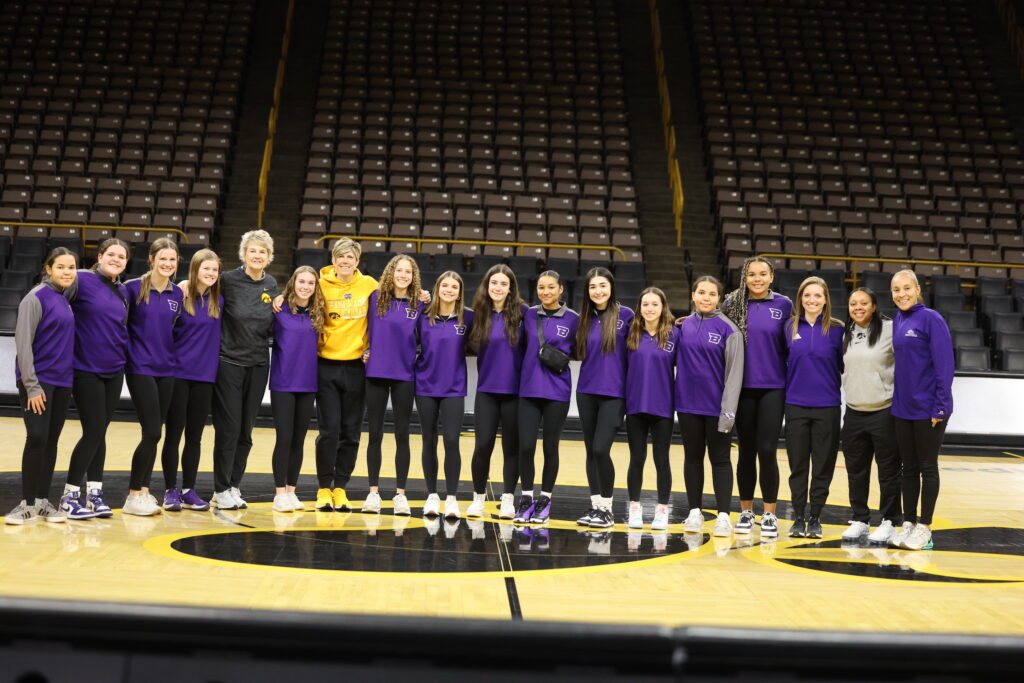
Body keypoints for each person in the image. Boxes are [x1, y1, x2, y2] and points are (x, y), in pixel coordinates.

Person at [61, 237, 131, 520]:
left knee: (100, 431)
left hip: (114, 370)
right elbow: (52, 301)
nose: (116, 260)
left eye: (122, 257)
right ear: (100, 256)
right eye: (111, 254)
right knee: (92, 431)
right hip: (85, 368)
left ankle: (95, 493)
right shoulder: (80, 279)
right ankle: (69, 495)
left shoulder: (123, 291)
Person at [5, 248, 78, 525]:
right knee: (36, 437)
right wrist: (32, 386)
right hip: (39, 381)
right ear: (48, 269)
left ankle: (44, 502)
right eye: (61, 267)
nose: (67, 272)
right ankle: (26, 504)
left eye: (71, 267)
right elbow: (23, 345)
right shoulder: (35, 298)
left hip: (62, 381)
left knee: (51, 441)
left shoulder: (65, 297)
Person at [722, 255, 792, 538]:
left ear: (771, 277)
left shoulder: (784, 305)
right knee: (746, 451)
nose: (758, 279)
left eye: (763, 274)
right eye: (752, 274)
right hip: (742, 388)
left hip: (773, 387)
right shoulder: (732, 303)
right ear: (744, 277)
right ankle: (747, 511)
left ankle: (770, 514)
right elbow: (713, 323)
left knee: (767, 450)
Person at [211, 229, 278, 510]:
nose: (257, 255)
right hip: (228, 363)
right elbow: (202, 289)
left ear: (269, 256)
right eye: (252, 250)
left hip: (259, 363)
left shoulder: (272, 284)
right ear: (244, 254)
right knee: (228, 429)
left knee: (246, 432)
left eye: (262, 251)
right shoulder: (227, 280)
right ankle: (220, 488)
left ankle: (234, 485)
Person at [890, 269, 954, 551]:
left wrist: (940, 405)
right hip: (903, 407)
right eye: (895, 290)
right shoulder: (898, 320)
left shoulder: (931, 319)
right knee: (908, 468)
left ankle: (925, 528)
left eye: (906, 288)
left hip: (930, 408)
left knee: (927, 467)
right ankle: (908, 523)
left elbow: (944, 365)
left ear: (917, 289)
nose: (901, 294)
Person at [677, 276, 744, 538]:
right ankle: (695, 511)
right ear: (693, 295)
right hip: (687, 406)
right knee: (692, 459)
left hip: (717, 410)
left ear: (719, 298)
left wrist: (728, 413)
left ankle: (724, 516)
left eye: (712, 294)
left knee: (720, 460)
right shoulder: (683, 326)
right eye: (701, 292)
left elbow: (734, 376)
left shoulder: (730, 330)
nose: (706, 298)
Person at [122, 238, 183, 516]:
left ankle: (145, 491)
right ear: (151, 258)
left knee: (155, 435)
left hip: (167, 369)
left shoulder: (177, 294)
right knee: (153, 431)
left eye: (172, 260)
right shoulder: (132, 288)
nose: (168, 264)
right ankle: (134, 493)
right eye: (163, 259)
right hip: (140, 368)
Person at [513, 270, 579, 524]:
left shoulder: (573, 319)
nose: (546, 292)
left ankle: (545, 500)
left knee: (551, 446)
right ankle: (526, 498)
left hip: (557, 391)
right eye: (541, 287)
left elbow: (582, 346)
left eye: (551, 287)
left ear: (561, 289)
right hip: (528, 389)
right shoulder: (528, 314)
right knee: (526, 445)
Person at [161, 249, 222, 512]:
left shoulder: (220, 300)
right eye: (205, 269)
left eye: (214, 270)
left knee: (195, 437)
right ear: (195, 269)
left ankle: (188, 489)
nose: (210, 274)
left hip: (205, 377)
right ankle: (170, 490)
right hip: (178, 375)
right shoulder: (179, 294)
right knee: (173, 435)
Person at [361, 255, 422, 516]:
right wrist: (364, 349)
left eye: (408, 271)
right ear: (391, 272)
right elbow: (358, 327)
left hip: (404, 375)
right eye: (399, 270)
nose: (403, 275)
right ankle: (373, 493)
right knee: (374, 434)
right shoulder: (375, 298)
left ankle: (400, 495)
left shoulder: (419, 302)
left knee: (402, 435)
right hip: (375, 372)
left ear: (413, 276)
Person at [784, 276, 845, 539]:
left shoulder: (838, 330)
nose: (812, 300)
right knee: (798, 466)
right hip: (795, 405)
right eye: (807, 295)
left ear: (825, 300)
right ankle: (798, 517)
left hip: (827, 406)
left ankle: (816, 518)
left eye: (817, 296)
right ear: (800, 299)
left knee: (822, 466)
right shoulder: (787, 327)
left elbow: (845, 365)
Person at [839, 287, 901, 544]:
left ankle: (889, 521)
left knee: (888, 471)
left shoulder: (890, 329)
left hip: (884, 411)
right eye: (853, 303)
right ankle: (861, 519)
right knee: (856, 470)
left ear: (874, 306)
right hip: (853, 412)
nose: (858, 307)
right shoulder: (845, 333)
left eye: (864, 303)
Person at [574, 266, 633, 527]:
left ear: (611, 287)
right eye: (593, 287)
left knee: (601, 449)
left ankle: (607, 509)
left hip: (614, 394)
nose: (598, 291)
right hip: (586, 391)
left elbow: (653, 329)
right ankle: (595, 506)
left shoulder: (627, 316)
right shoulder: (582, 318)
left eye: (602, 285)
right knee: (590, 451)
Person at [467, 264, 526, 519]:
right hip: (487, 392)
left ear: (511, 288)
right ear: (487, 286)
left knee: (512, 449)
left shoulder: (524, 314)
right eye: (494, 283)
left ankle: (508, 499)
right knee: (482, 446)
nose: (498, 288)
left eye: (503, 284)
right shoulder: (477, 314)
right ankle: (478, 499)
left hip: (515, 393)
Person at [415, 271, 473, 518]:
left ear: (460, 292)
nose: (449, 290)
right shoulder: (423, 315)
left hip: (453, 388)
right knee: (429, 440)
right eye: (445, 285)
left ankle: (451, 498)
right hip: (425, 386)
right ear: (437, 288)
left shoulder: (468, 317)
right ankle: (431, 495)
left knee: (451, 440)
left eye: (454, 287)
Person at [270, 266, 324, 513]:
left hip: (308, 383)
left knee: (299, 440)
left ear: (315, 287)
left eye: (310, 283)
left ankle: (292, 490)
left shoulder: (318, 313)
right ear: (293, 283)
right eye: (301, 281)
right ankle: (279, 492)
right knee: (284, 438)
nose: (305, 286)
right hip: (283, 382)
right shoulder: (278, 309)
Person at [623, 287, 677, 532]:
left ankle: (662, 510)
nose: (650, 308)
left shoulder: (675, 335)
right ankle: (635, 508)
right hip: (635, 406)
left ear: (663, 307)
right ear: (640, 307)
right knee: (636, 459)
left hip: (663, 408)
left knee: (661, 460)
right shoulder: (630, 333)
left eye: (655, 304)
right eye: (645, 304)